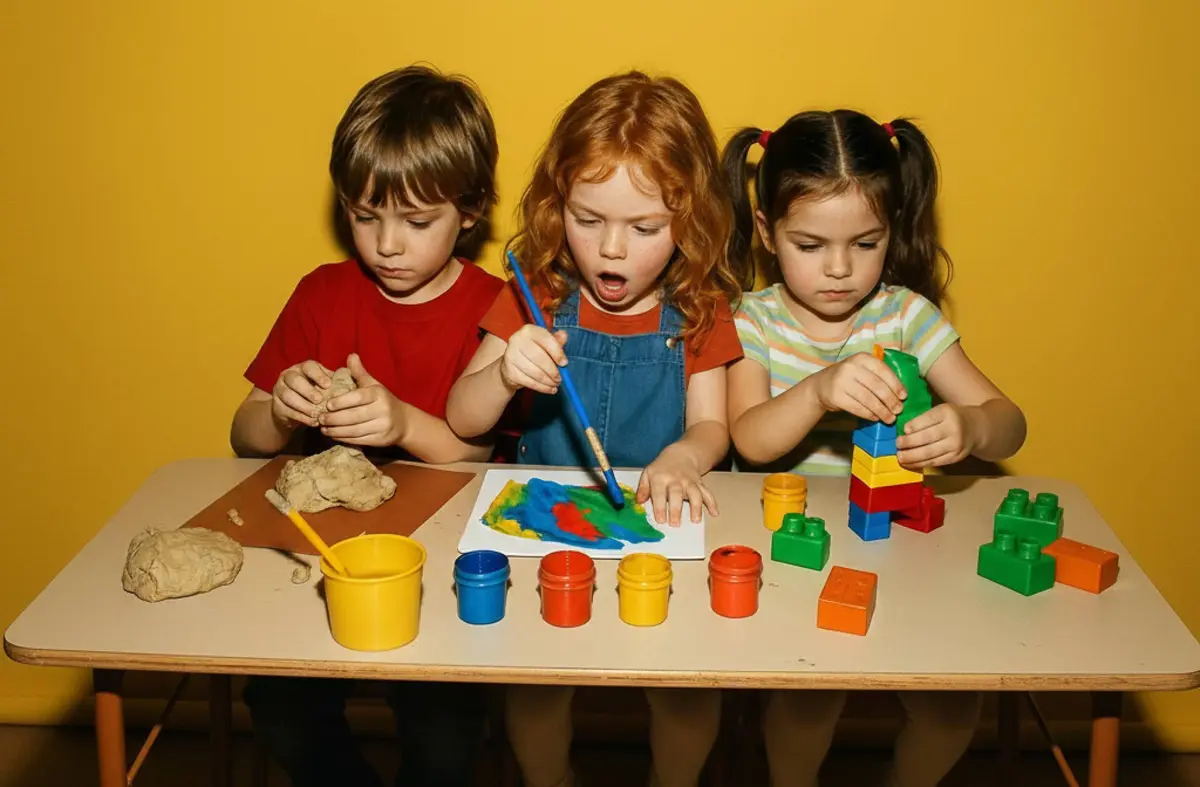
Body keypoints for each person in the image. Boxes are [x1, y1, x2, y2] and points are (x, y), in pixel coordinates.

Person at [446, 71, 750, 787]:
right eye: (588, 220)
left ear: (691, 220)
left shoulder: (699, 308)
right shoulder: (535, 295)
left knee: (683, 693)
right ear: (558, 207)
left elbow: (716, 429)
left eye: (644, 228)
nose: (612, 249)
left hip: (661, 529)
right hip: (548, 533)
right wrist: (503, 374)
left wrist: (684, 453)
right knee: (535, 686)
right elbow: (462, 418)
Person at [723, 110, 1027, 787]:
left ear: (893, 232)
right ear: (769, 235)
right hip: (789, 550)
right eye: (811, 244)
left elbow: (1010, 421)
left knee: (952, 709)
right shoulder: (754, 320)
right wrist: (819, 389)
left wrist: (969, 428)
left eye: (866, 243)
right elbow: (747, 435)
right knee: (809, 705)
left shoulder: (905, 315)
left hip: (900, 547)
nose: (839, 268)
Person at [231, 64, 504, 787]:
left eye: (417, 222)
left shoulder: (494, 307)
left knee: (444, 732)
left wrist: (401, 419)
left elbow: (477, 455)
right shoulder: (322, 293)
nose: (386, 244)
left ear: (470, 210)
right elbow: (243, 434)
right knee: (281, 704)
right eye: (363, 215)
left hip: (441, 568)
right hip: (323, 560)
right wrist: (281, 407)